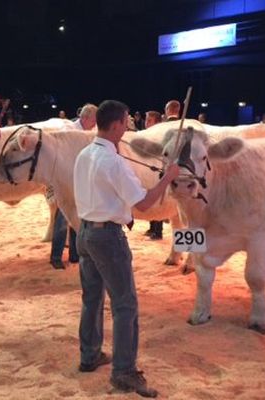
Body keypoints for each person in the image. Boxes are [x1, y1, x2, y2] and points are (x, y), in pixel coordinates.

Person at [74, 99, 179, 398]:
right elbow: (144, 203)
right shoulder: (113, 161)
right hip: (107, 236)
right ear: (118, 124)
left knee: (92, 298)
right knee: (125, 305)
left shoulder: (85, 154)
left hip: (85, 232)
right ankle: (124, 371)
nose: (128, 127)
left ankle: (89, 354)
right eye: (126, 123)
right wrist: (167, 179)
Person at [50, 103, 97, 270]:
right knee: (62, 219)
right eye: (93, 120)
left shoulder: (91, 132)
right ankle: (56, 256)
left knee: (78, 217)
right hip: (66, 180)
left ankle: (75, 254)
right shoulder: (68, 130)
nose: (94, 124)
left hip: (82, 181)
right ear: (84, 118)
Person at [145, 100, 180, 240]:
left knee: (177, 211)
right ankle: (188, 253)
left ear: (167, 109)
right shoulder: (187, 126)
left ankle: (186, 252)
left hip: (166, 169)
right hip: (182, 172)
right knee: (182, 214)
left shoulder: (163, 128)